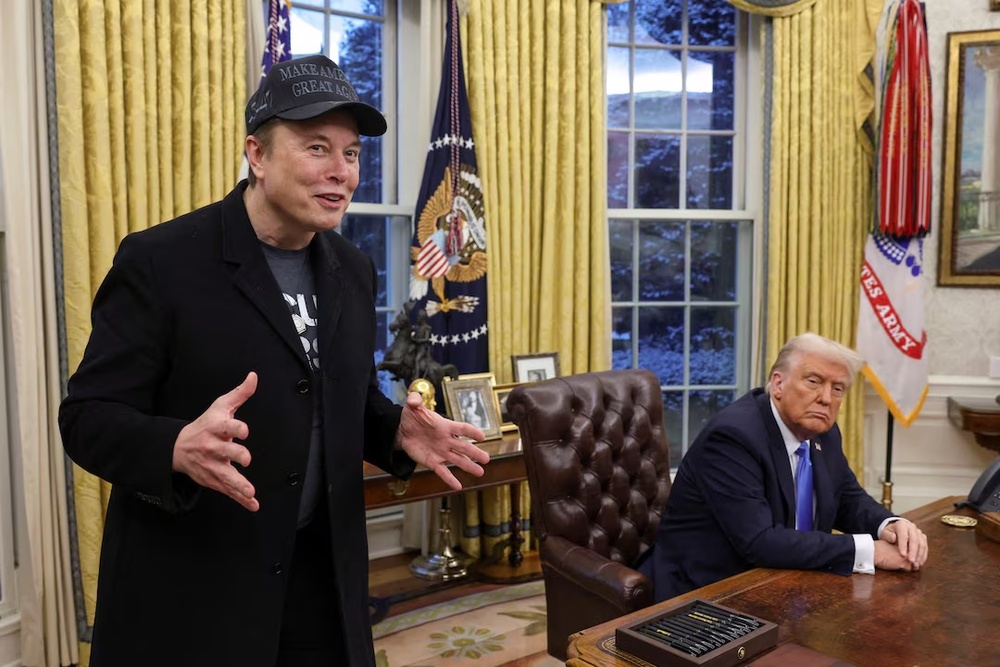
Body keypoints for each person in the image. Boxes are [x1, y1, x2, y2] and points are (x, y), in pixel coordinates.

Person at [58, 54, 490, 667]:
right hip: (198, 586)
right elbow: (87, 417)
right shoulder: (161, 262)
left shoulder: (354, 270)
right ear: (256, 155)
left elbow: (343, 398)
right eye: (317, 147)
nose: (340, 172)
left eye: (351, 153)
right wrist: (175, 446)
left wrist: (395, 428)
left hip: (322, 576)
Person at [638, 332, 928, 602]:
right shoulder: (733, 437)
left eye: (837, 388)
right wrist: (868, 551)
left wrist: (889, 525)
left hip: (784, 584)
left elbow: (846, 497)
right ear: (778, 384)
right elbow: (760, 541)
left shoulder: (823, 431)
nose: (826, 398)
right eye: (813, 381)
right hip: (708, 592)